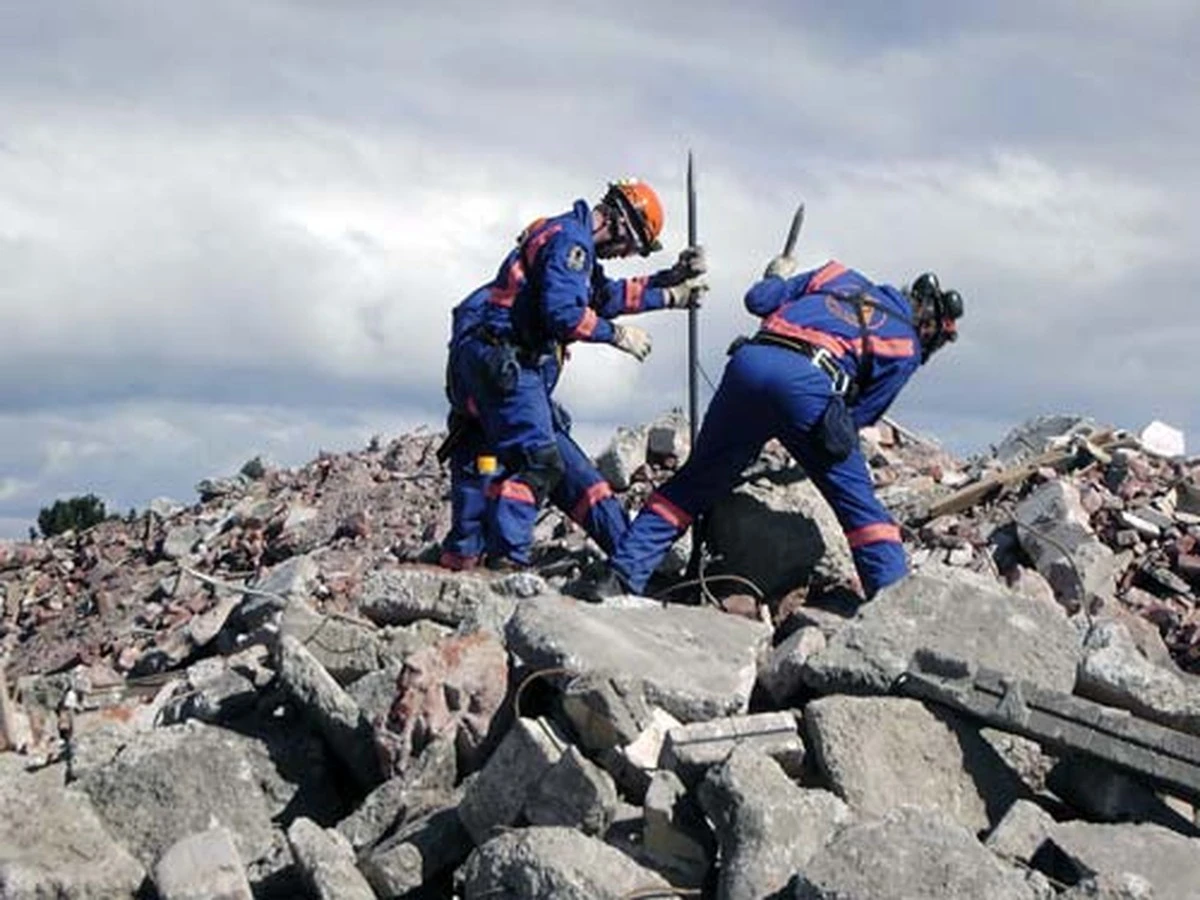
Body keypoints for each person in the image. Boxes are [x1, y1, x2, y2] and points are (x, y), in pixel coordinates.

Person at [574, 255, 964, 600]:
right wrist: (806, 444)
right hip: (809, 385)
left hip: (750, 363)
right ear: (931, 328)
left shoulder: (836, 274)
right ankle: (894, 603)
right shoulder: (905, 345)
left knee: (695, 481)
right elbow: (857, 418)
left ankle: (619, 576)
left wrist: (777, 276)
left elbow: (758, 301)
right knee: (860, 507)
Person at [437, 178, 708, 571]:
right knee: (539, 461)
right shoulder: (571, 242)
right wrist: (616, 335)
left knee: (491, 462)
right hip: (507, 367)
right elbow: (563, 313)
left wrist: (669, 286)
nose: (625, 255)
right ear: (618, 223)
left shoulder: (570, 240)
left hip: (496, 369)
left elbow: (604, 296)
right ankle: (506, 561)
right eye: (630, 246)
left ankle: (464, 558)